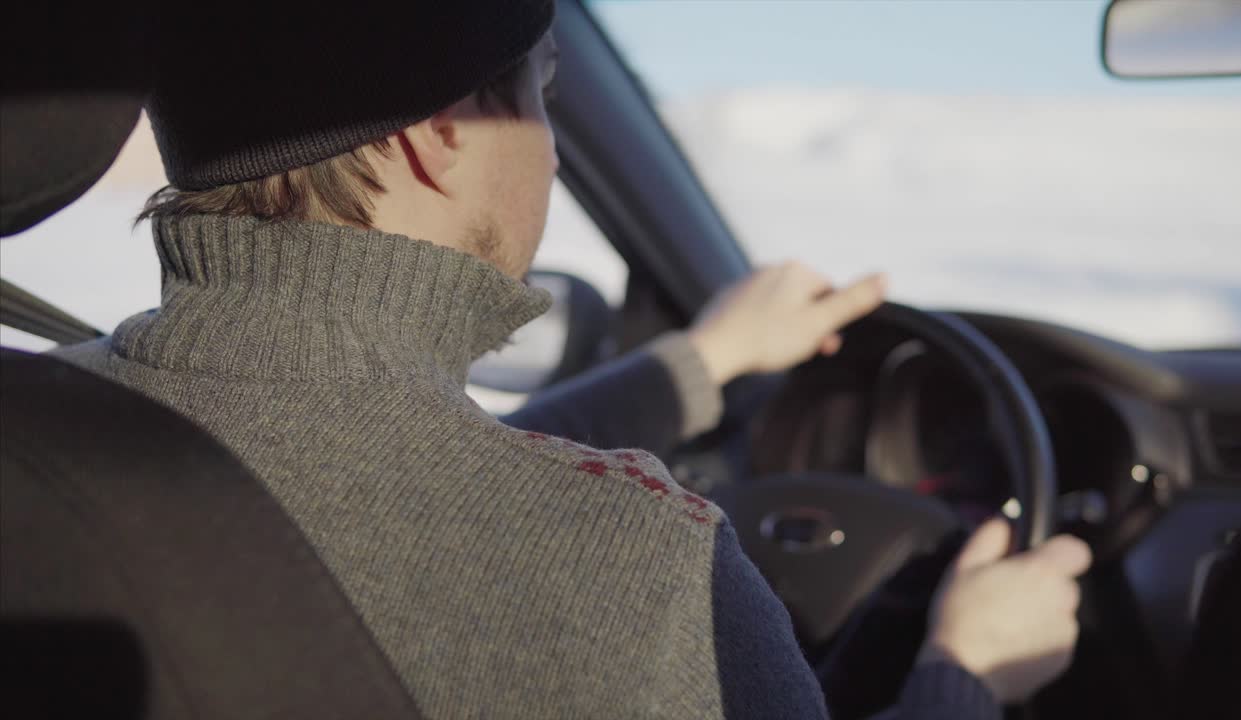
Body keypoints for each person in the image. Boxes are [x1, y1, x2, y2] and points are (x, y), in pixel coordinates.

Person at [52, 3, 1090, 717]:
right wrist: (966, 672)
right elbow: (463, 497)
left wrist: (702, 360)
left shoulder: (40, 435)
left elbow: (384, 465)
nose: (548, 148)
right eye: (544, 93)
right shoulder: (639, 566)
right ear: (437, 134)